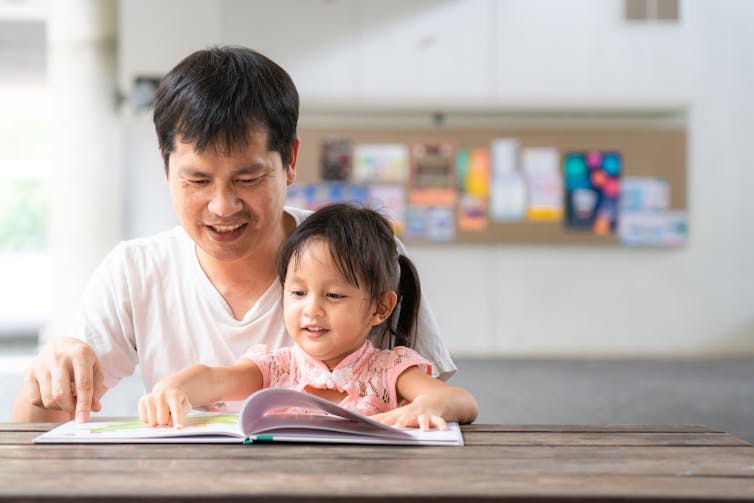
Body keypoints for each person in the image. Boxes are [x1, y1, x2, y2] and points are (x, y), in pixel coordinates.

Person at [11, 46, 456, 423]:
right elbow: (39, 431)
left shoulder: (355, 253)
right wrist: (45, 379)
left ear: (291, 160)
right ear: (165, 166)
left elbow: (432, 409)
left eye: (247, 179)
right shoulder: (136, 271)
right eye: (198, 181)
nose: (223, 207)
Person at [139, 204, 477, 431]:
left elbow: (461, 401)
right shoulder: (277, 367)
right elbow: (213, 379)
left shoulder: (388, 370)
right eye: (298, 293)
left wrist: (428, 404)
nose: (311, 309)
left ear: (380, 308)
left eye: (333, 295)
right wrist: (174, 388)